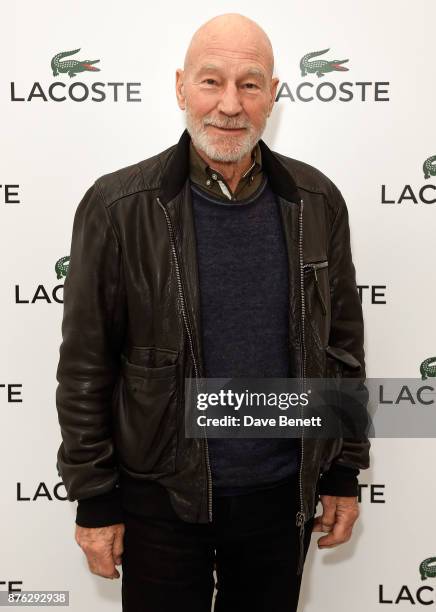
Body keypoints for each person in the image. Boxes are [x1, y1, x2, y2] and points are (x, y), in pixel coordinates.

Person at [55, 12, 370, 612]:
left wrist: (341, 471)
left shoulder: (317, 200)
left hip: (282, 496)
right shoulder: (119, 205)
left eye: (250, 84)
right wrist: (94, 498)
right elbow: (86, 367)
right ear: (181, 87)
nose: (230, 104)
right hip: (160, 499)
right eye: (211, 81)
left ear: (273, 95)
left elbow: (342, 347)